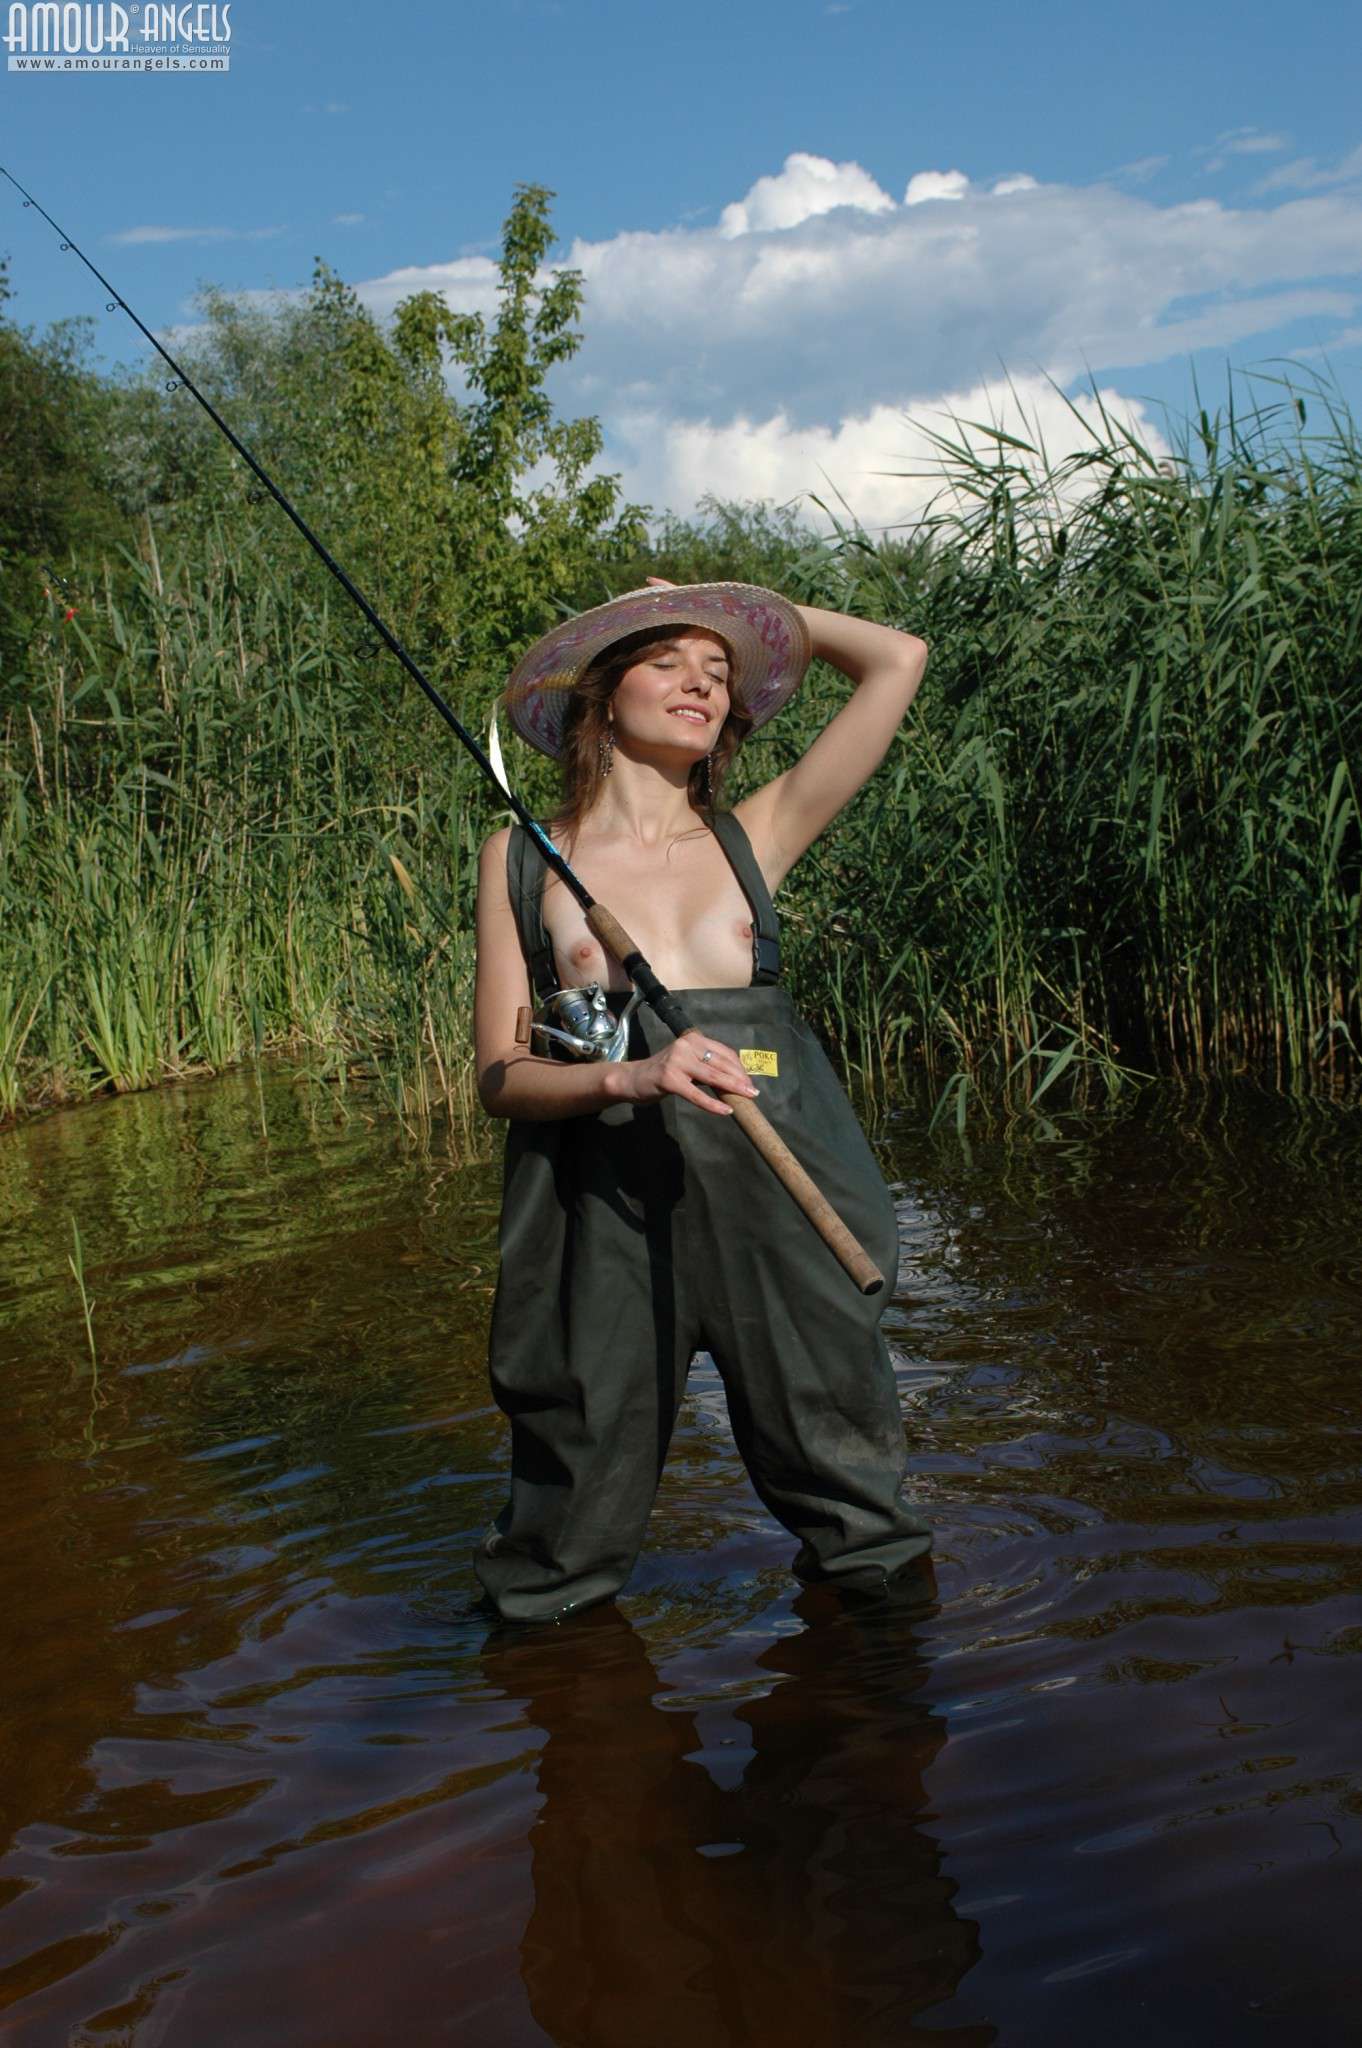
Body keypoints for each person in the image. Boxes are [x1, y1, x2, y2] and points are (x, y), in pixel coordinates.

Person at [473, 579, 933, 1622]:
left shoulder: (754, 835)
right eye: (667, 660)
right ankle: (552, 1694)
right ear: (603, 693)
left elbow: (897, 658)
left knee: (855, 1500)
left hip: (778, 1189)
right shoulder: (520, 858)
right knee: (566, 1519)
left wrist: (746, 609)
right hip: (602, 1203)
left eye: (720, 672)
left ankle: (882, 1687)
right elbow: (500, 1075)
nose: (701, 683)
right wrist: (627, 1074)